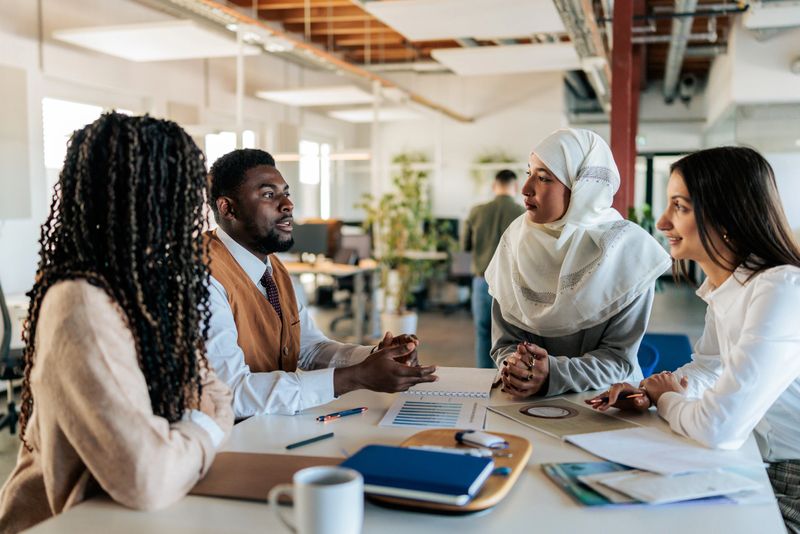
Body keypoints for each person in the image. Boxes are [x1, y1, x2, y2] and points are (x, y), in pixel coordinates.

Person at [0, 113, 234, 533]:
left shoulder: (150, 292)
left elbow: (215, 392)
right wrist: (204, 429)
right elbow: (148, 477)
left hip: (133, 514)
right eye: (178, 192)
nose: (191, 212)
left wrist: (190, 431)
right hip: (62, 523)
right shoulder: (81, 302)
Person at [588, 146, 800, 533]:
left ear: (727, 214)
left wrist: (668, 399)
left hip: (791, 481)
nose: (664, 222)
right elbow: (709, 366)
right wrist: (650, 390)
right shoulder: (728, 288)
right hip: (756, 460)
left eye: (680, 207)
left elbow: (720, 428)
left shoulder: (780, 288)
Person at [205, 149, 437, 418]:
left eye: (286, 193)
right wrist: (354, 377)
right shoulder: (203, 276)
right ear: (227, 208)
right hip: (226, 442)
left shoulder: (273, 269)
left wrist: (374, 356)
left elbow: (310, 348)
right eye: (269, 195)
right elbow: (230, 393)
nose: (287, 205)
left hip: (269, 425)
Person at [485, 128, 670, 398]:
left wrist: (551, 374)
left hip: (606, 406)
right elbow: (506, 343)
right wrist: (516, 368)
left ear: (582, 187)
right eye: (529, 174)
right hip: (525, 406)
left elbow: (619, 359)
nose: (525, 189)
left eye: (544, 178)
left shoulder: (628, 252)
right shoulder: (515, 242)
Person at [463, 169, 525, 368]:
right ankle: (507, 377)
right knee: (511, 338)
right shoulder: (522, 213)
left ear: (494, 186)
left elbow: (465, 246)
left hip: (482, 280)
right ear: (515, 187)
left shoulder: (476, 211)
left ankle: (483, 378)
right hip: (510, 285)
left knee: (483, 332)